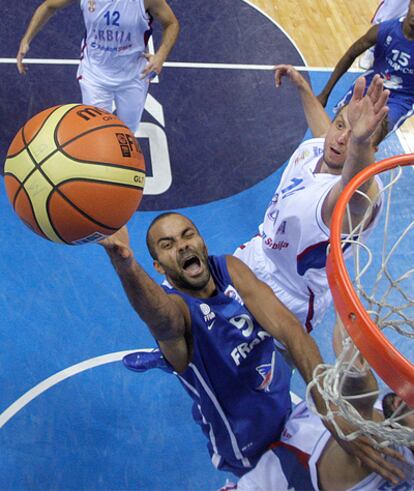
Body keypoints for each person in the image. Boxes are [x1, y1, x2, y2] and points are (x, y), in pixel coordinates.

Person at [98, 213, 400, 481]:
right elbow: (162, 319)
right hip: (247, 442)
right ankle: (174, 356)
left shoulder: (228, 268)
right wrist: (126, 264)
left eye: (188, 234)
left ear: (201, 241)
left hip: (285, 407)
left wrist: (329, 411)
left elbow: (291, 331)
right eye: (167, 245)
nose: (182, 245)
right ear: (158, 267)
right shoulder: (179, 312)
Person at [234, 67, 389, 332]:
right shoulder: (318, 147)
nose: (341, 139)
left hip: (290, 294)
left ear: (371, 149)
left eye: (355, 138)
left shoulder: (355, 195)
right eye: (340, 125)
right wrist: (303, 87)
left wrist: (360, 141)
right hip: (257, 255)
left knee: (266, 366)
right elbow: (323, 129)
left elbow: (357, 189)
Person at [16, 0, 179, 133]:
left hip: (133, 76)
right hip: (95, 76)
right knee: (95, 133)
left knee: (127, 134)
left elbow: (172, 23)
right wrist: (26, 40)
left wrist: (162, 55)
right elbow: (48, 6)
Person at [222, 326, 414, 491]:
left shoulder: (388, 460)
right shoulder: (400, 416)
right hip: (297, 418)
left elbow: (361, 413)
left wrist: (356, 374)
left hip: (262, 455)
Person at [316, 0, 414, 134]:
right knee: (340, 125)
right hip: (372, 83)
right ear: (410, 2)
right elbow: (351, 54)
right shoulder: (384, 30)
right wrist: (325, 93)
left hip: (401, 99)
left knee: (371, 135)